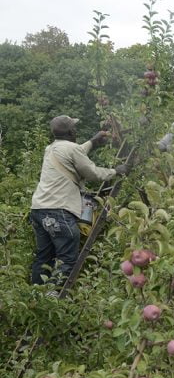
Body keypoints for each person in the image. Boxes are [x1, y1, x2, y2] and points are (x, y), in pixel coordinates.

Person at [30, 115, 128, 287]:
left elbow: (73, 153)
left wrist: (92, 141)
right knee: (67, 255)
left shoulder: (51, 148)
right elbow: (92, 173)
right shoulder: (72, 149)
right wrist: (116, 171)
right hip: (58, 210)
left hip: (38, 209)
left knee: (43, 256)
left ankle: (36, 294)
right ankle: (54, 297)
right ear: (71, 131)